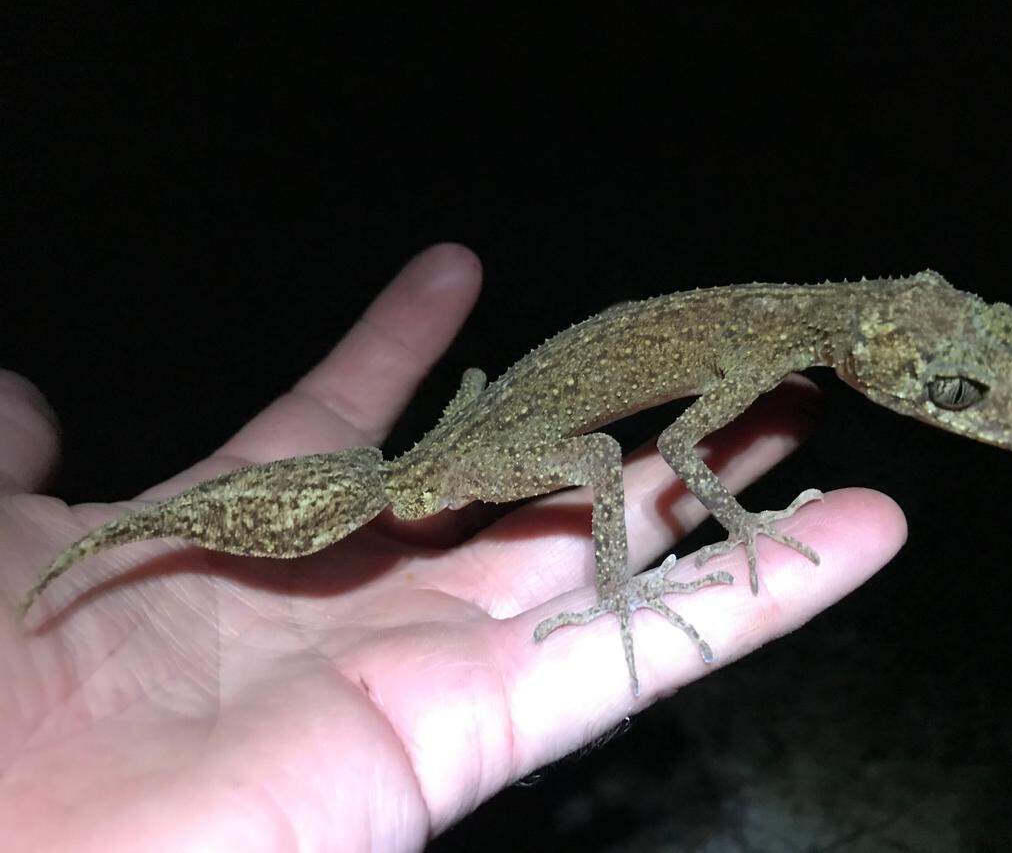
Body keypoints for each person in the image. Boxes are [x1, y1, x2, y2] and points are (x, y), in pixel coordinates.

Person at [0, 243, 904, 850]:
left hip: (471, 435)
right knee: (595, 453)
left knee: (506, 424)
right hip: (466, 455)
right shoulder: (770, 334)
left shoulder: (776, 321)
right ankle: (614, 594)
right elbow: (658, 450)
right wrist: (730, 529)